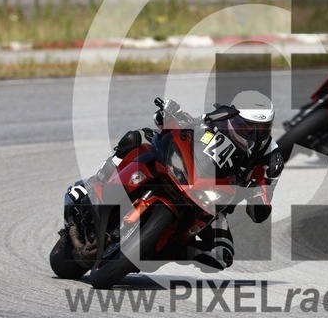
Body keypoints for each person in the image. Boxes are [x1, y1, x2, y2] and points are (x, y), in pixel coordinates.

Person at [68, 90, 284, 271]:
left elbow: (263, 200)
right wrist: (171, 114)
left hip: (214, 205)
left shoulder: (271, 157)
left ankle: (167, 249)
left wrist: (259, 198)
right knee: (138, 137)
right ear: (233, 117)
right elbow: (184, 124)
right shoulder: (218, 120)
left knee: (222, 255)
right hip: (187, 174)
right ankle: (97, 181)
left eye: (262, 128)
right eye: (247, 126)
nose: (254, 134)